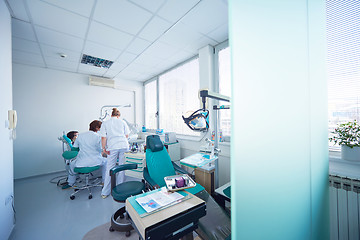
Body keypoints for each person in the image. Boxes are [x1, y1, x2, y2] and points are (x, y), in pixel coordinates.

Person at [62, 120, 106, 189]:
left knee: (72, 164)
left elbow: (75, 149)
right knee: (106, 162)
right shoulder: (98, 136)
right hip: (94, 161)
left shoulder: (80, 135)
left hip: (81, 162)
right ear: (97, 128)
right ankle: (104, 182)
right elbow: (102, 149)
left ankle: (70, 183)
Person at [99, 108, 130, 199]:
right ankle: (120, 189)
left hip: (112, 147)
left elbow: (103, 138)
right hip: (124, 145)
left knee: (110, 168)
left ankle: (105, 192)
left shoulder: (105, 123)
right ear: (118, 116)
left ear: (111, 115)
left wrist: (104, 148)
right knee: (122, 167)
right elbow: (127, 135)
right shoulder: (122, 122)